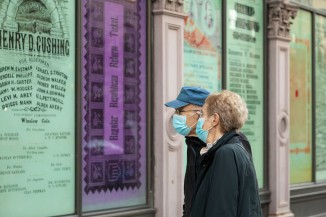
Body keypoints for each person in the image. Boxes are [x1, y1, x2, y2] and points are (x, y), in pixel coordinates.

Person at [190, 90, 261, 217]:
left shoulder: (226, 154)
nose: (199, 120)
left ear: (214, 120)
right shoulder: (233, 149)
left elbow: (221, 210)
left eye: (202, 114)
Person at [165, 86, 210, 217]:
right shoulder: (193, 144)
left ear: (199, 114)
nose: (176, 116)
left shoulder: (219, 148)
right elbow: (191, 195)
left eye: (180, 111)